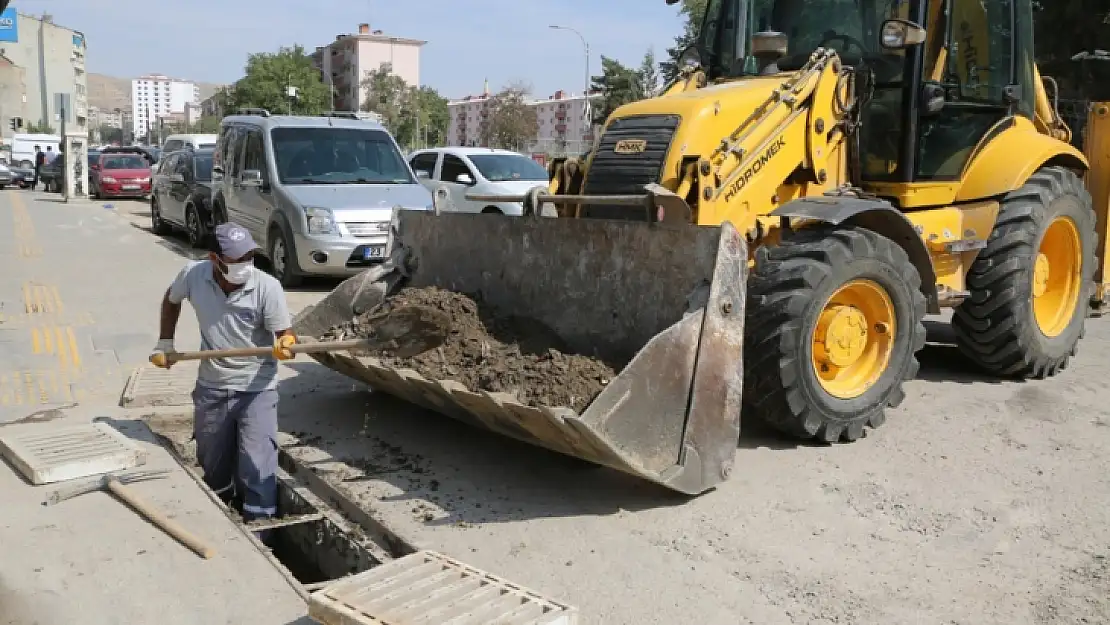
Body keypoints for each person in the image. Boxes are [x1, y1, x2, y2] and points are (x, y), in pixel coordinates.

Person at [149, 223, 297, 528]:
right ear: (214, 259)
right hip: (212, 386)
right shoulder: (193, 275)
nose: (245, 266)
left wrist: (286, 344)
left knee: (257, 464)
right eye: (236, 260)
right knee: (212, 464)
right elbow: (171, 299)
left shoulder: (267, 287)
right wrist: (165, 342)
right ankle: (221, 512)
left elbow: (285, 333)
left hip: (257, 388)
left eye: (249, 258)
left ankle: (260, 529)